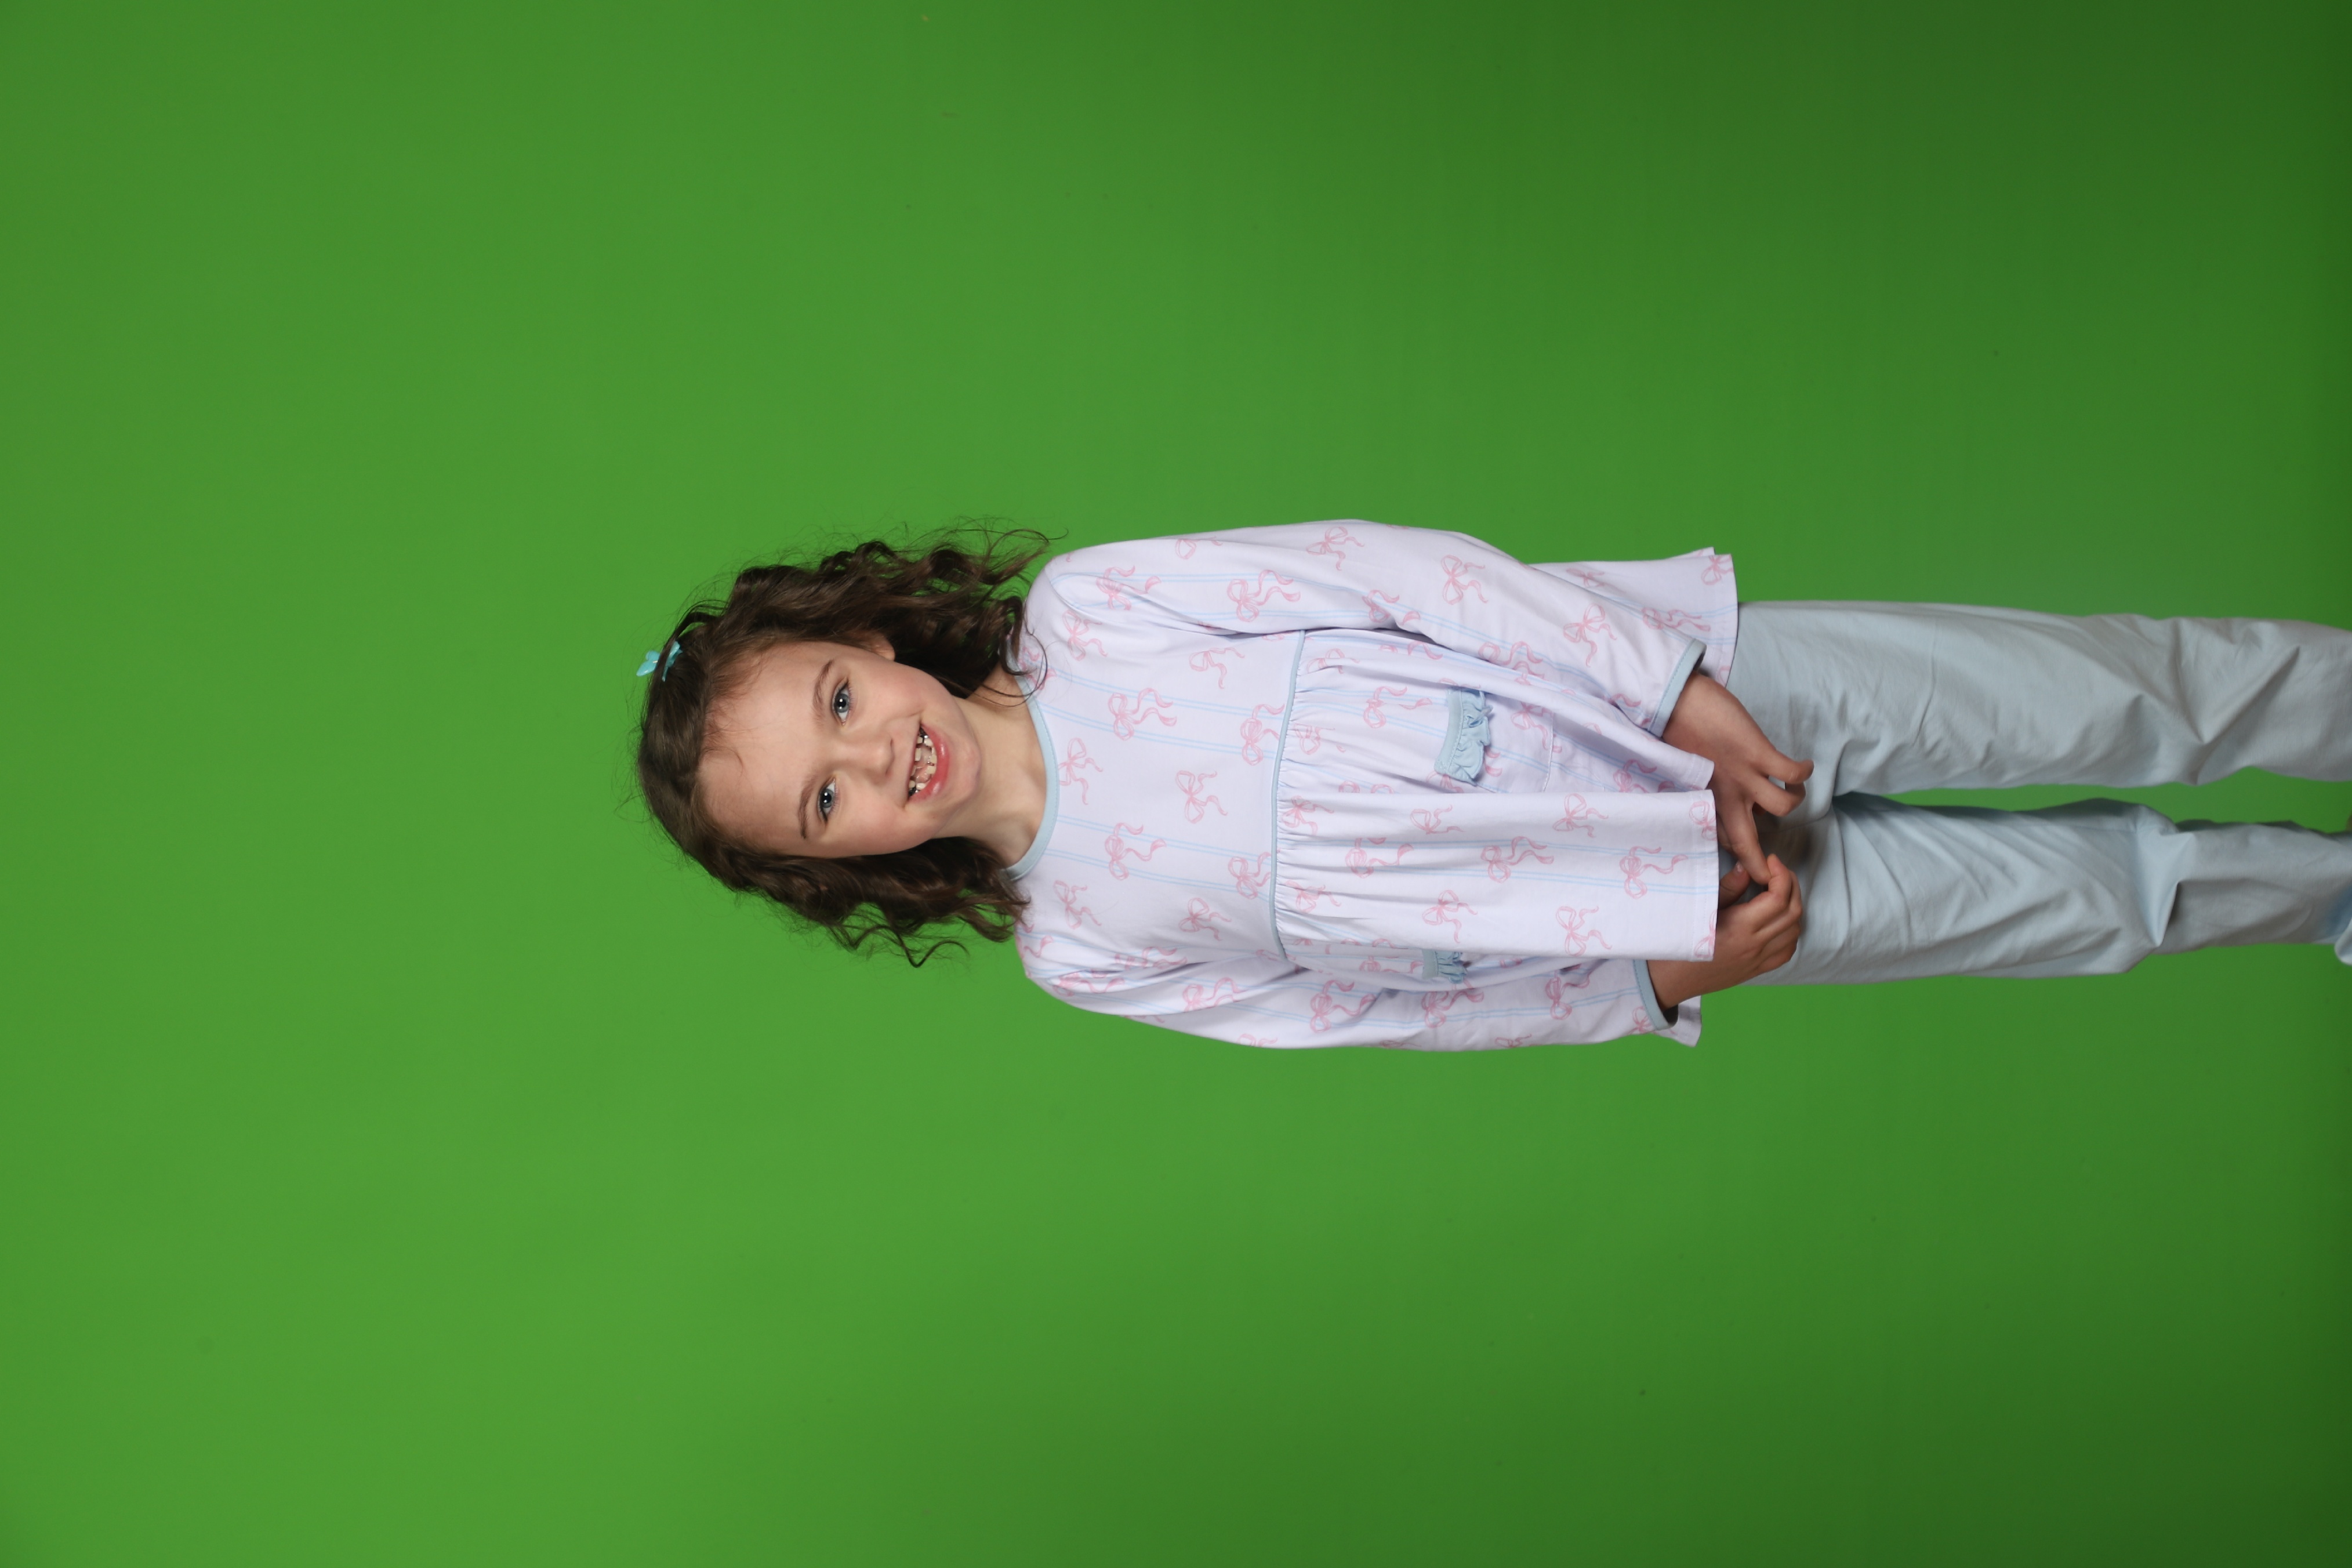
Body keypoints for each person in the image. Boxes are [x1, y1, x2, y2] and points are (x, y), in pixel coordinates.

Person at [634, 522, 2352, 1050]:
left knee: (2116, 698)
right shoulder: (1082, 944)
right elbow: (1385, 1016)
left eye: (841, 702)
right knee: (2090, 903)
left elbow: (1409, 577)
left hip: (1709, 697)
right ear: (839, 868)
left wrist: (1669, 687)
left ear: (868, 635)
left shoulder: (1098, 613)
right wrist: (1654, 982)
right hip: (1691, 910)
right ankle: (2332, 900)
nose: (875, 756)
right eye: (827, 804)